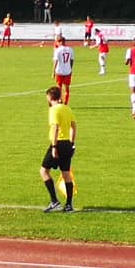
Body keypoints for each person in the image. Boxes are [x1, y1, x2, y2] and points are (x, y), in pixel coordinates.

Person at [40, 85, 77, 213]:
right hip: (67, 143)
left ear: (50, 97)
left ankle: (55, 201)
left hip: (58, 144)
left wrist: (54, 146)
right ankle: (69, 205)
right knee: (66, 174)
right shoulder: (67, 108)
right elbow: (73, 127)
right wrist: (72, 144)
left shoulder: (54, 110)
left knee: (44, 171)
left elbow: (55, 128)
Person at [52, 35, 74, 104]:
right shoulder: (70, 49)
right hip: (68, 71)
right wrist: (70, 68)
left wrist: (53, 72)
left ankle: (60, 101)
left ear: (59, 42)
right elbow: (71, 60)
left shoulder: (58, 50)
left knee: (59, 88)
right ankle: (66, 103)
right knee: (67, 88)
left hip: (59, 71)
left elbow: (56, 61)